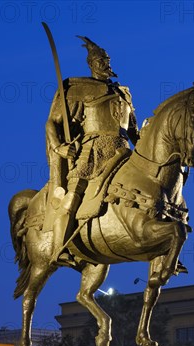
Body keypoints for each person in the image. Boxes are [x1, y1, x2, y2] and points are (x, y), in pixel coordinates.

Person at [45, 36, 139, 264]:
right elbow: (52, 123)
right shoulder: (79, 89)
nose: (106, 64)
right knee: (74, 193)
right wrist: (59, 147)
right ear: (91, 64)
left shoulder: (123, 93)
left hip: (123, 152)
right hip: (92, 152)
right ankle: (59, 248)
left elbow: (134, 132)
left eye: (107, 60)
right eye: (100, 60)